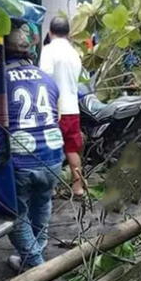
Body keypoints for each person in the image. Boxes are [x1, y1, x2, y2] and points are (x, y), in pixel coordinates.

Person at [0, 21, 64, 271]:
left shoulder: (0, 80)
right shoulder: (47, 78)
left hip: (21, 161)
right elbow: (54, 113)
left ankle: (37, 267)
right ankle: (34, 254)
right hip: (53, 156)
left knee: (14, 214)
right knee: (42, 202)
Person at [39, 16, 84, 197]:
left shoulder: (48, 50)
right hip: (72, 108)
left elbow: (45, 78)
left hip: (54, 110)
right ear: (69, 34)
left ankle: (51, 188)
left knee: (52, 149)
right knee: (71, 149)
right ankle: (78, 187)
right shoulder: (74, 53)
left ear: (50, 33)